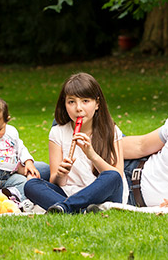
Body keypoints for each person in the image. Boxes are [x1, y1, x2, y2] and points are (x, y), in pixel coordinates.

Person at [24, 72, 128, 214]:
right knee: (31, 185)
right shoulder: (57, 133)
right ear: (65, 104)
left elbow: (118, 176)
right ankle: (79, 210)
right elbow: (55, 181)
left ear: (97, 104)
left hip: (105, 197)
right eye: (71, 102)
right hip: (68, 193)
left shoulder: (111, 130)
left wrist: (92, 155)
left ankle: (67, 208)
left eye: (85, 101)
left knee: (113, 175)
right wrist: (62, 174)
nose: (78, 108)